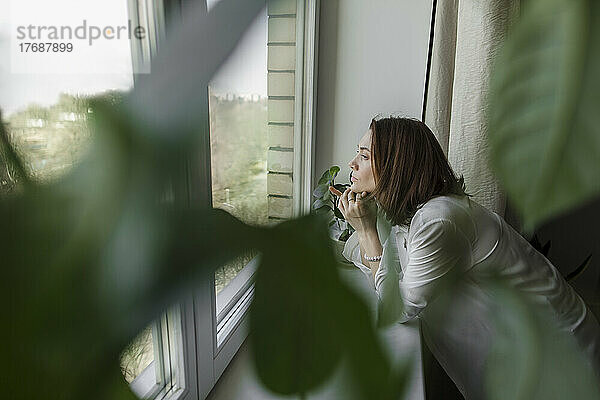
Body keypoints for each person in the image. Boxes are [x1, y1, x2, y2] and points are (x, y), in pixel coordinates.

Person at [330, 116, 600, 399]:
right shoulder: (411, 217)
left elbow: (397, 307)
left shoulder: (439, 220)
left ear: (397, 167)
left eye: (364, 155)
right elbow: (375, 265)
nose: (352, 163)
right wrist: (367, 229)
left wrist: (366, 231)